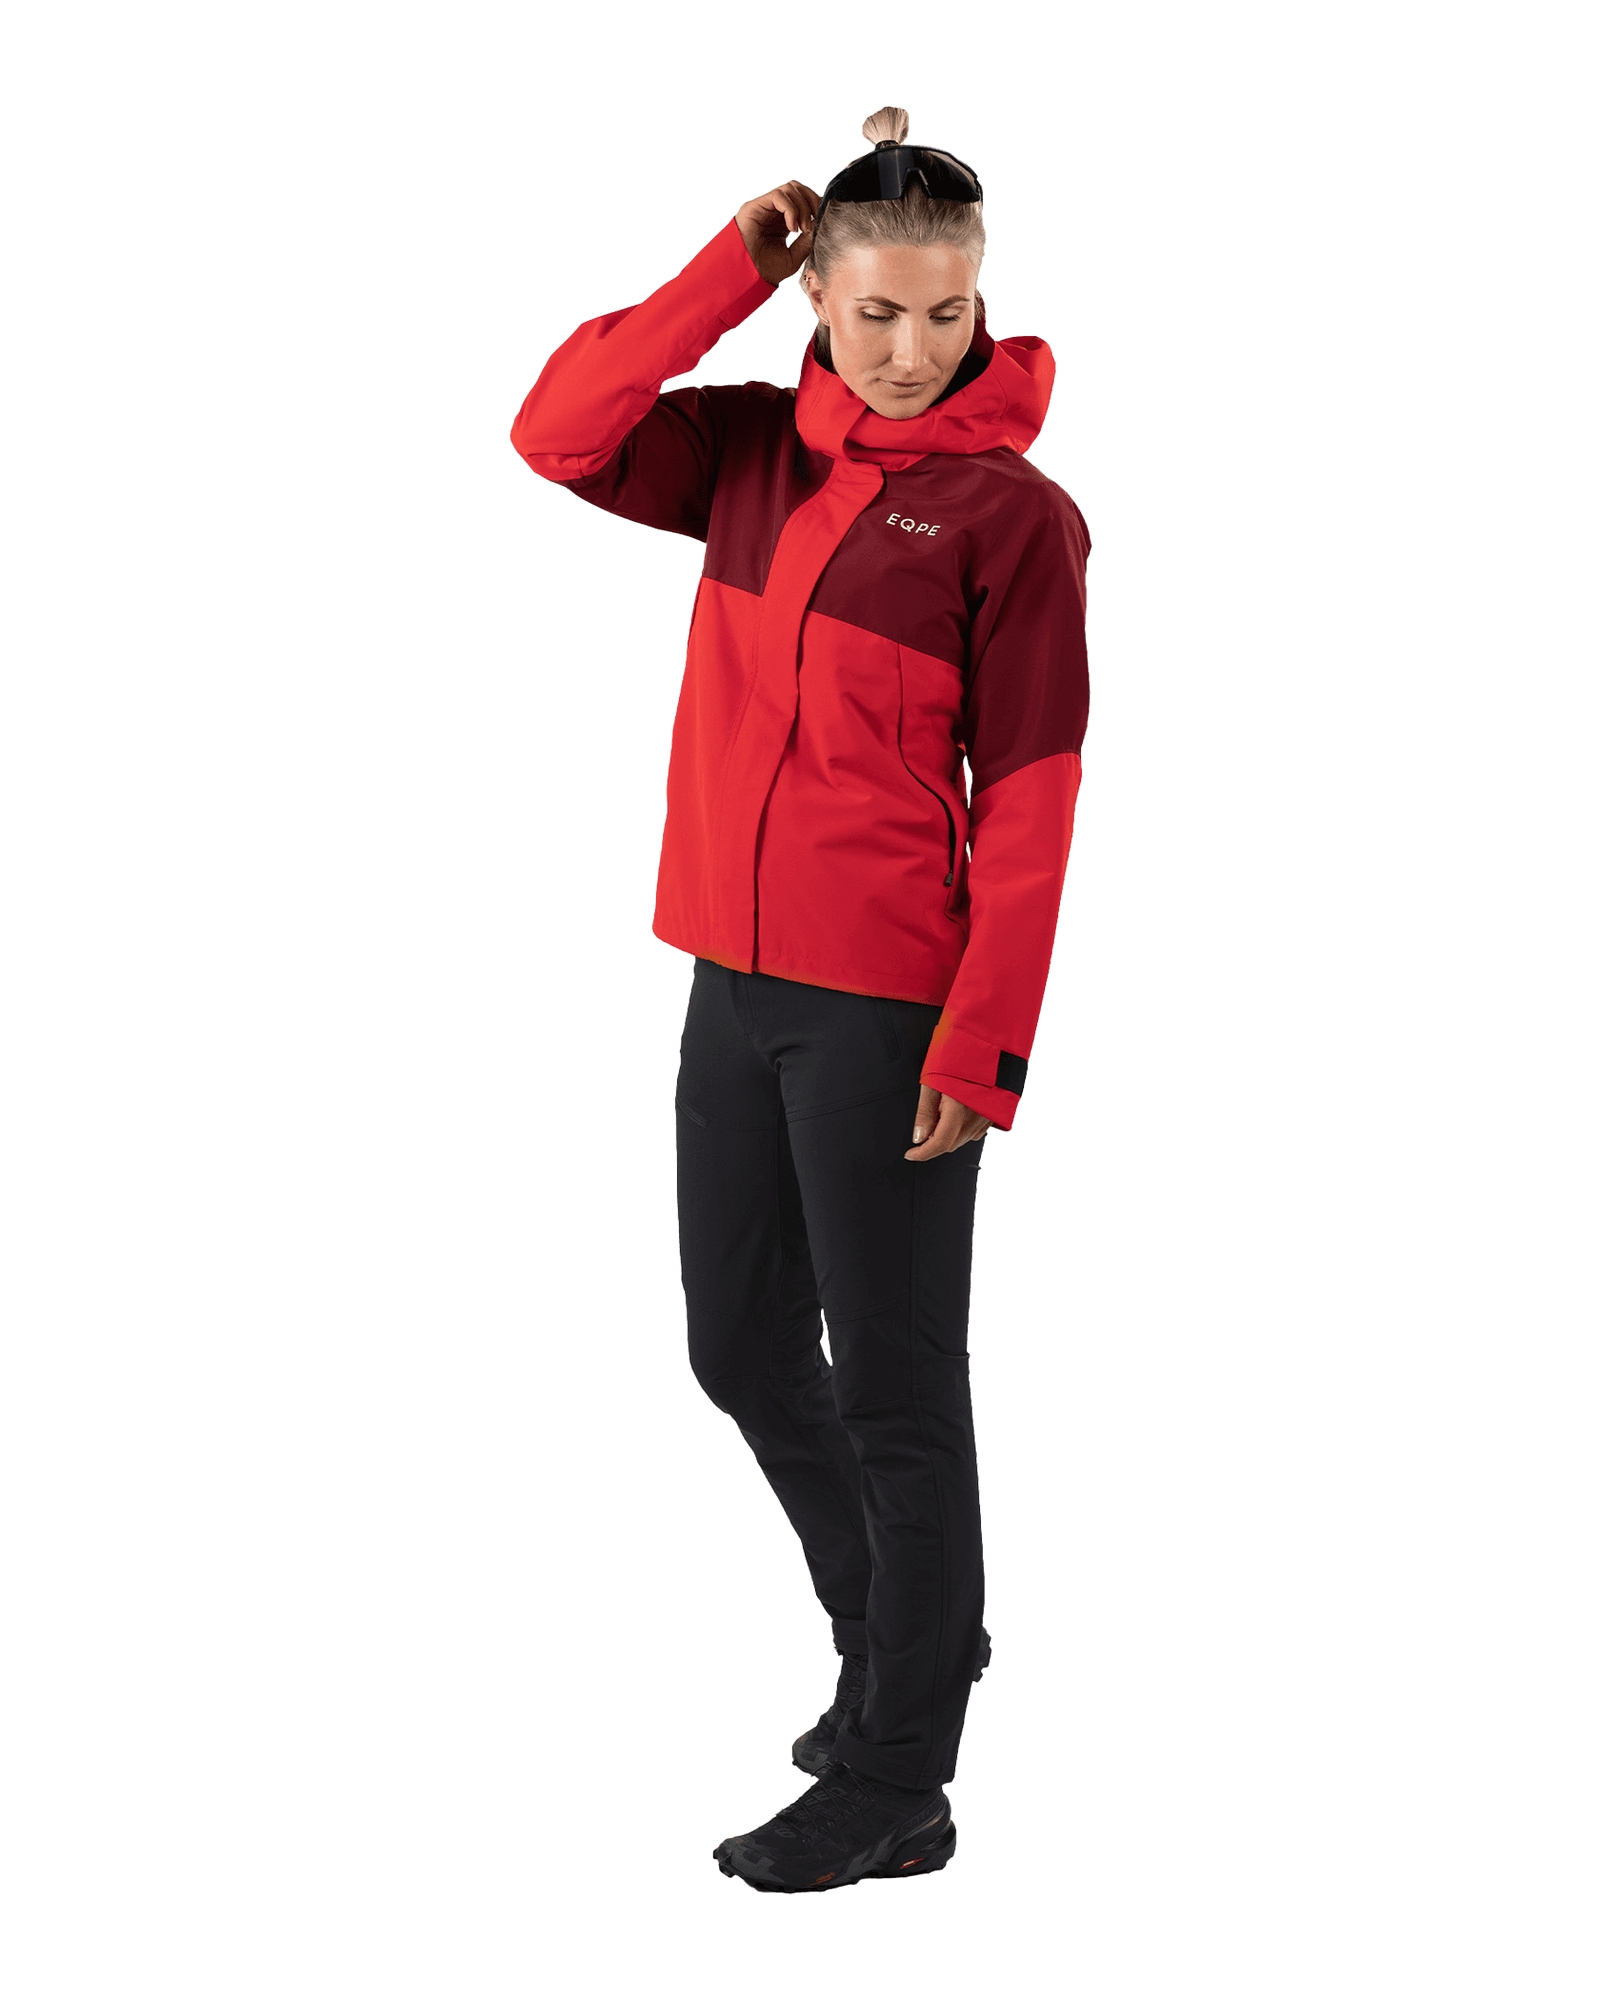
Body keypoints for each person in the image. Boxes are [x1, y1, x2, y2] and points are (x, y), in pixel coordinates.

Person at [509, 104, 1092, 1893]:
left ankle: (900, 1774)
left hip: (891, 1008)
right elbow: (556, 429)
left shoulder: (1011, 516)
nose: (913, 350)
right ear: (818, 298)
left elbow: (1038, 798)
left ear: (981, 302)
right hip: (730, 974)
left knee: (901, 1389)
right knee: (741, 1347)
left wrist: (986, 1039)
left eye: (946, 312)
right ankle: (912, 1638)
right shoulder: (747, 453)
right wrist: (723, 269)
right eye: (876, 312)